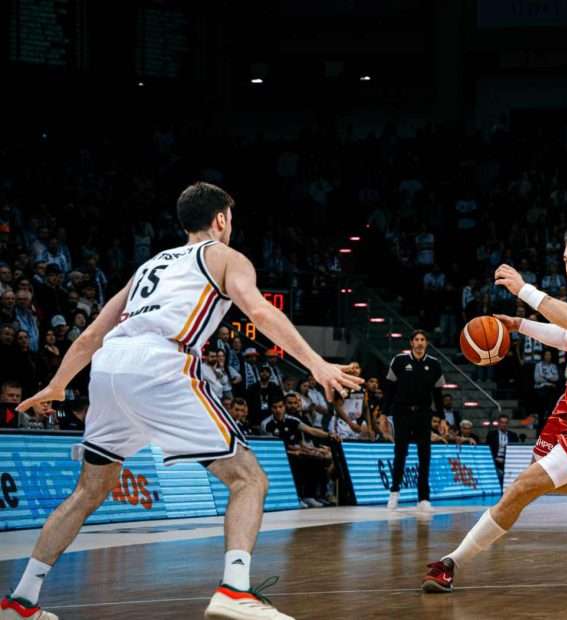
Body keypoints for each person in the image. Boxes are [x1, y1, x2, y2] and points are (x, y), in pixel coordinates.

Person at [5, 182, 362, 620]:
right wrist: (316, 364)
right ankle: (235, 590)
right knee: (248, 479)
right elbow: (260, 312)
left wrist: (59, 384)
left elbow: (93, 333)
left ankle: (21, 600)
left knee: (87, 491)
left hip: (110, 367)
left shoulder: (149, 266)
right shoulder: (225, 257)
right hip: (160, 364)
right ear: (221, 219)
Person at [423, 229, 567, 594]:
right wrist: (519, 325)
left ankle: (450, 563)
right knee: (560, 483)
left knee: (523, 487)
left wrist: (524, 289)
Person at [382, 330, 445, 512]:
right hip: (401, 412)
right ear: (411, 342)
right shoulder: (399, 360)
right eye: (416, 339)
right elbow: (389, 389)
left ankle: (423, 498)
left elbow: (438, 394)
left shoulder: (434, 364)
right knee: (400, 453)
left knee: (424, 455)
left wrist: (441, 418)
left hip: (423, 414)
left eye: (422, 339)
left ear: (426, 343)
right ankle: (394, 493)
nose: (419, 342)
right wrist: (383, 414)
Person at [485, 414, 519, 483]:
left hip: (509, 462)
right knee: (499, 476)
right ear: (498, 423)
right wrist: (495, 459)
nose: (504, 424)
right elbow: (488, 450)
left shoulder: (513, 435)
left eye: (506, 423)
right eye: (502, 422)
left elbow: (516, 450)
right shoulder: (491, 434)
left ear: (508, 424)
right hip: (495, 462)